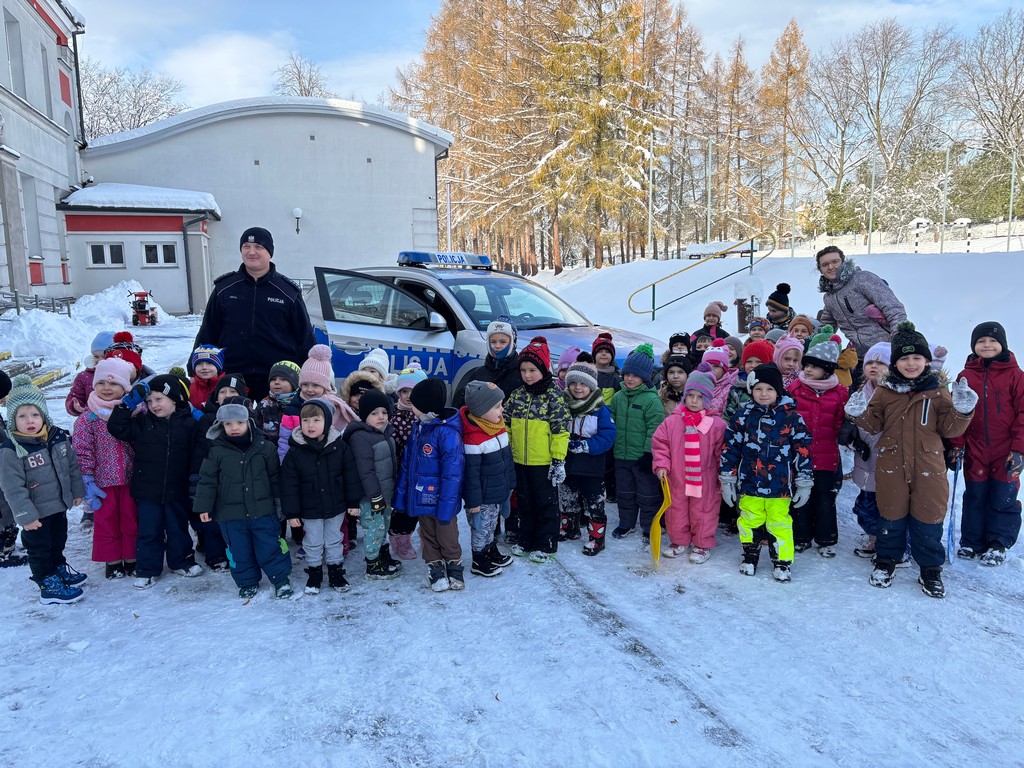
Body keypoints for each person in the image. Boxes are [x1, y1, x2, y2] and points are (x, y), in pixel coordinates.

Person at [846, 322, 976, 598]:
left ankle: (930, 569)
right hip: (891, 464)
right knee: (890, 517)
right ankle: (886, 561)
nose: (911, 363)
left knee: (929, 518)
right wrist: (859, 414)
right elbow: (874, 424)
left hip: (929, 466)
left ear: (927, 361)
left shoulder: (937, 391)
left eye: (917, 357)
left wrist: (963, 412)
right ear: (895, 363)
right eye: (904, 358)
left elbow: (950, 429)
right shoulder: (885, 391)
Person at [193, 227, 316, 402]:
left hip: (277, 379)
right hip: (232, 377)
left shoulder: (287, 292)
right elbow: (208, 331)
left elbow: (305, 338)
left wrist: (310, 373)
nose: (251, 252)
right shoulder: (224, 288)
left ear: (269, 252)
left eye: (259, 247)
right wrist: (193, 368)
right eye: (246, 246)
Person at [719, 363, 813, 582]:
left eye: (769, 389)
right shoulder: (743, 416)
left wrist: (804, 481)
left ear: (778, 391)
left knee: (779, 523)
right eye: (758, 388)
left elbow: (803, 450)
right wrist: (727, 480)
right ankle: (750, 556)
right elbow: (730, 448)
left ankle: (782, 562)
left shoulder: (792, 417)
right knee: (749, 520)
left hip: (780, 486)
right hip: (749, 483)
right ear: (751, 390)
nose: (763, 394)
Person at [108, 374, 203, 589]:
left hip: (177, 488)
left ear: (174, 400)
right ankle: (147, 569)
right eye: (149, 401)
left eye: (159, 399)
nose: (154, 405)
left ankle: (182, 561)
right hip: (148, 491)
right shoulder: (143, 423)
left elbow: (200, 448)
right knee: (149, 530)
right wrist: (126, 405)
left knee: (178, 528)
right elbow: (117, 428)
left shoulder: (189, 424)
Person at [194, 400, 294, 600]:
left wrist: (280, 504)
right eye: (228, 424)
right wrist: (204, 506)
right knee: (239, 551)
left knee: (270, 546)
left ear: (249, 422)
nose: (234, 428)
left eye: (239, 422)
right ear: (221, 426)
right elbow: (207, 480)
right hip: (230, 515)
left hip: (263, 511)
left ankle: (281, 580)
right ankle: (247, 582)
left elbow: (275, 478)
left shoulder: (265, 447)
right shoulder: (215, 450)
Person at [0, 375, 87, 604]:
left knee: (58, 541)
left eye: (35, 414)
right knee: (39, 548)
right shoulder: (13, 449)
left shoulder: (56, 437)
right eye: (22, 416)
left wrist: (76, 491)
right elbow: (12, 488)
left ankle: (57, 568)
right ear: (12, 419)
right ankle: (46, 582)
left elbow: (71, 466)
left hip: (58, 506)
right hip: (35, 514)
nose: (30, 420)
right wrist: (25, 516)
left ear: (44, 415)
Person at [949, 321, 1024, 566]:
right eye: (981, 341)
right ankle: (972, 541)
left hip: (1006, 450)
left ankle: (998, 542)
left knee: (1003, 496)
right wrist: (957, 444)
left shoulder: (1017, 376)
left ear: (1003, 344)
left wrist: (1019, 450)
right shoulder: (966, 376)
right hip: (976, 448)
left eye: (993, 341)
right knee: (975, 496)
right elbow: (957, 412)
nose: (987, 345)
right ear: (974, 346)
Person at [282, 397, 361, 594]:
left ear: (327, 422)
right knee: (313, 541)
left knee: (335, 539)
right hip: (309, 509)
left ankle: (336, 572)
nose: (310, 425)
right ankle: (315, 573)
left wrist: (353, 502)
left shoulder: (339, 447)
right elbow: (289, 485)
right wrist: (292, 513)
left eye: (316, 420)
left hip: (335, 505)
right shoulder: (295, 452)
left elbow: (350, 475)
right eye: (306, 420)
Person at [394, 378, 466, 591]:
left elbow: (452, 474)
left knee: (447, 534)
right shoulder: (419, 428)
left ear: (425, 406)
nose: (411, 406)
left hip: (442, 498)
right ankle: (435, 566)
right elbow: (407, 465)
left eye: (415, 404)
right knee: (427, 533)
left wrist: (447, 504)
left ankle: (454, 564)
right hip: (421, 496)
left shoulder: (447, 433)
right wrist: (401, 497)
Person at [652, 364, 726, 564]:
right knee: (676, 511)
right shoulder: (672, 422)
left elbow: (722, 452)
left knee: (704, 512)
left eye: (700, 397)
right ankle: (679, 541)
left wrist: (723, 475)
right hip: (677, 477)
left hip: (706, 480)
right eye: (690, 395)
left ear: (708, 399)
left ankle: (702, 544)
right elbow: (661, 444)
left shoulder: (716, 425)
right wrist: (661, 465)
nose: (694, 400)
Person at [72, 357, 138, 579]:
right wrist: (86, 477)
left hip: (130, 479)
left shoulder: (134, 413)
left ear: (125, 387)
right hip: (102, 483)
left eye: (114, 383)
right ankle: (113, 560)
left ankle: (131, 556)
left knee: (131, 519)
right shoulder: (88, 418)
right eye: (101, 383)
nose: (106, 388)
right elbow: (82, 449)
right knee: (106, 521)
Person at [505, 337, 571, 562]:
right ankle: (526, 539)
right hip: (520, 460)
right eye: (523, 370)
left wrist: (558, 460)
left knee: (545, 503)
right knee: (524, 502)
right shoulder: (517, 395)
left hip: (543, 462)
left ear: (544, 369)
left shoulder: (554, 397)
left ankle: (546, 543)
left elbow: (561, 431)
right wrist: (506, 452)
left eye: (532, 370)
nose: (527, 375)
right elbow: (506, 425)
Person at [786, 327, 849, 557]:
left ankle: (826, 538)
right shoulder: (795, 389)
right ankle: (801, 537)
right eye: (807, 365)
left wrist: (846, 430)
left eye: (814, 366)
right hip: (800, 455)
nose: (808, 369)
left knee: (825, 498)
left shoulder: (839, 393)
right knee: (800, 497)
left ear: (827, 369)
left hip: (826, 456)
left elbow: (839, 423)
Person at [816, 245, 908, 377]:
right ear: (820, 269)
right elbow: (826, 327)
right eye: (825, 264)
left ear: (843, 261)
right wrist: (808, 343)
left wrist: (899, 340)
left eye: (835, 261)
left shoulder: (862, 279)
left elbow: (893, 309)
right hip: (860, 356)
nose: (830, 267)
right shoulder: (829, 297)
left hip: (886, 350)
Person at [838, 342, 891, 560]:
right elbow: (851, 416)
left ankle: (888, 543)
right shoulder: (860, 390)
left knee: (888, 505)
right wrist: (851, 433)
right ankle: (873, 537)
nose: (874, 367)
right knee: (866, 504)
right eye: (869, 362)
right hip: (866, 456)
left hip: (888, 458)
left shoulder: (895, 394)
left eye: (881, 363)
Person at [609, 343, 664, 545]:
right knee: (624, 493)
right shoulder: (617, 397)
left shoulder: (651, 400)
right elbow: (611, 424)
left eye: (635, 375)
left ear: (645, 377)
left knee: (647, 494)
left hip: (642, 458)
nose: (630, 378)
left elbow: (655, 429)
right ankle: (626, 522)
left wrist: (648, 454)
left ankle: (649, 526)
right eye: (627, 374)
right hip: (621, 455)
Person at [560, 354, 615, 555]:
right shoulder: (563, 406)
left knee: (594, 502)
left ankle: (596, 538)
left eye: (583, 384)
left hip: (592, 467)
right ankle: (570, 528)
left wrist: (586, 445)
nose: (577, 388)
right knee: (567, 498)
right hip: (569, 464)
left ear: (591, 386)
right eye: (573, 383)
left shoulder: (600, 410)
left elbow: (608, 436)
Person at [344, 389, 402, 580]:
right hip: (371, 497)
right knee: (374, 529)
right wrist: (375, 496)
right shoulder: (360, 438)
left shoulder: (386, 433)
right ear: (364, 416)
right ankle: (373, 564)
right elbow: (365, 471)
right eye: (374, 413)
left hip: (385, 493)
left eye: (384, 412)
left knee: (383, 526)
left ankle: (382, 555)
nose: (381, 417)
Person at [459, 381, 516, 576]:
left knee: (492, 525)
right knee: (480, 528)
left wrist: (510, 483)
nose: (502, 410)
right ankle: (479, 559)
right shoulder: (473, 438)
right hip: (482, 497)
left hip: (497, 491)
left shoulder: (498, 428)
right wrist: (473, 501)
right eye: (497, 406)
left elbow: (507, 459)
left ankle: (490, 550)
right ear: (481, 410)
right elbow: (471, 475)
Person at [388, 364, 427, 560]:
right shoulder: (396, 418)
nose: (408, 396)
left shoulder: (427, 416)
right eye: (404, 391)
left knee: (420, 505)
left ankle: (418, 533)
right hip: (403, 471)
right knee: (403, 507)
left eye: (413, 391)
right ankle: (399, 537)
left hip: (422, 470)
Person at [453, 316, 524, 406]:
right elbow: (463, 404)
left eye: (503, 342)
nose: (497, 346)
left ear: (514, 343)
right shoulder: (478, 374)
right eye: (493, 342)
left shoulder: (521, 374)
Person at [65, 330, 115, 417]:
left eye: (105, 356)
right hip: (92, 420)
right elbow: (74, 396)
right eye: (96, 356)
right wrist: (75, 406)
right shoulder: (85, 377)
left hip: (119, 420)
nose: (100, 360)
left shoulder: (123, 375)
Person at [257, 360, 301, 446]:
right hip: (268, 448)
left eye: (283, 379)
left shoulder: (300, 403)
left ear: (294, 383)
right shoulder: (263, 404)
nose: (277, 382)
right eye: (273, 379)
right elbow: (256, 428)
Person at [187, 345, 226, 409]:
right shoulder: (189, 388)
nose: (204, 367)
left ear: (219, 366)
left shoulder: (228, 386)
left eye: (209, 363)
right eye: (199, 364)